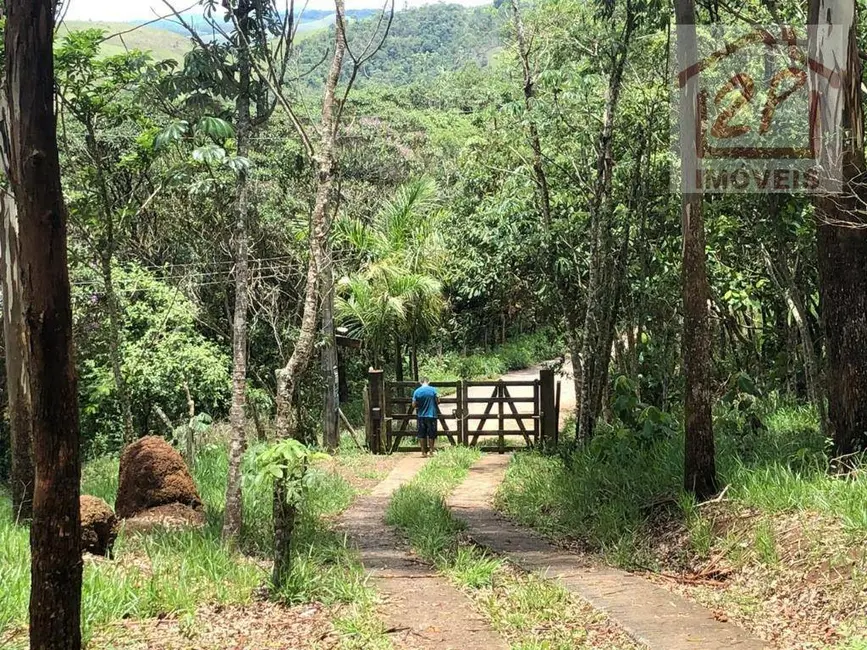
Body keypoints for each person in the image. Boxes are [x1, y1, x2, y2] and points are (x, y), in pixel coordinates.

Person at [412, 377, 439, 457]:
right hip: (432, 415)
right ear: (428, 382)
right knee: (431, 434)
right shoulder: (433, 390)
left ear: (420, 382)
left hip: (421, 415)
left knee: (421, 434)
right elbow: (438, 401)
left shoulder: (417, 391)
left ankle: (423, 452)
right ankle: (431, 451)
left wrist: (418, 405)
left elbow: (413, 405)